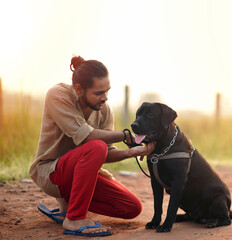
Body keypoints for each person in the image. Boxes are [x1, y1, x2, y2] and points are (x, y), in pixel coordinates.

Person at [29, 55, 155, 237]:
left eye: (107, 91)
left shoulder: (104, 110)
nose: (105, 98)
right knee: (96, 146)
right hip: (51, 173)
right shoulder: (58, 95)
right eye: (99, 93)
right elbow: (87, 137)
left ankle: (68, 206)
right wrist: (125, 135)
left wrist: (131, 152)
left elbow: (107, 152)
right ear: (79, 90)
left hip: (80, 173)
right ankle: (74, 218)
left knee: (131, 207)